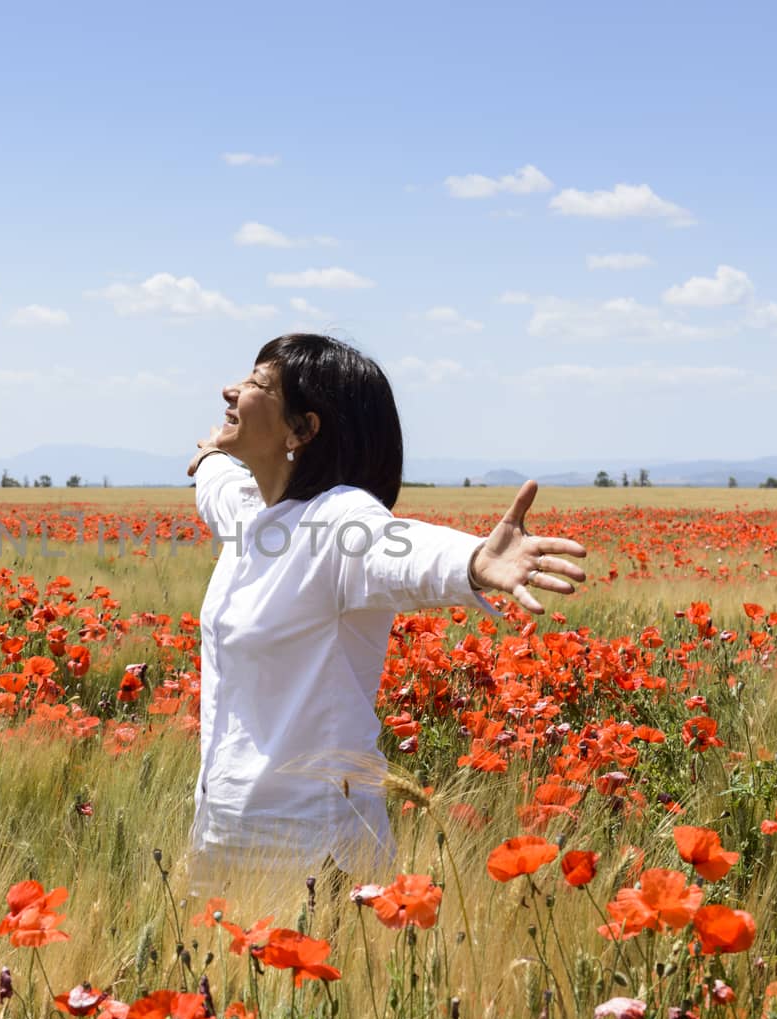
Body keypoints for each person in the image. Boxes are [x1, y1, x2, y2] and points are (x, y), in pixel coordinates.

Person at [182, 334, 588, 898]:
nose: (232, 388)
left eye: (257, 383)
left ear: (302, 430)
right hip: (220, 834)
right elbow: (218, 488)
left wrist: (474, 560)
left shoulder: (337, 521)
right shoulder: (250, 514)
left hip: (308, 852)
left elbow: (397, 548)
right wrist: (210, 458)